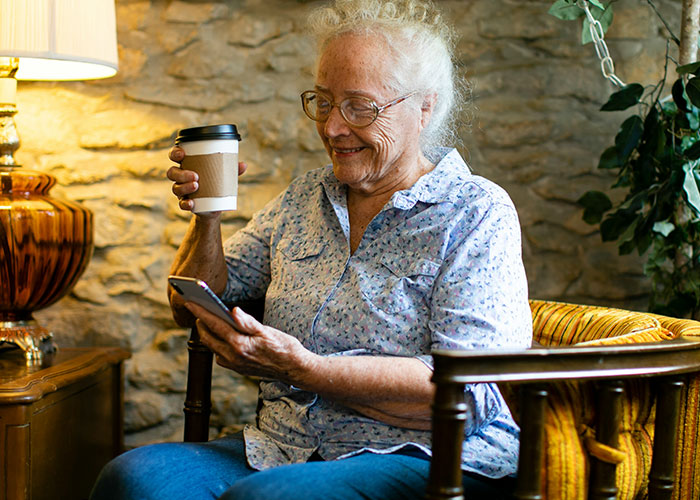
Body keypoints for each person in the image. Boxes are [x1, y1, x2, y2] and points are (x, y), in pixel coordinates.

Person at [90, 0, 532, 499]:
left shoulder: (474, 211)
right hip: (284, 447)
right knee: (132, 479)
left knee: (268, 498)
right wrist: (207, 217)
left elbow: (467, 389)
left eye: (359, 107)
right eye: (323, 102)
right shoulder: (304, 198)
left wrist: (305, 368)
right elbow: (189, 302)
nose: (332, 127)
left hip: (429, 455)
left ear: (424, 107)